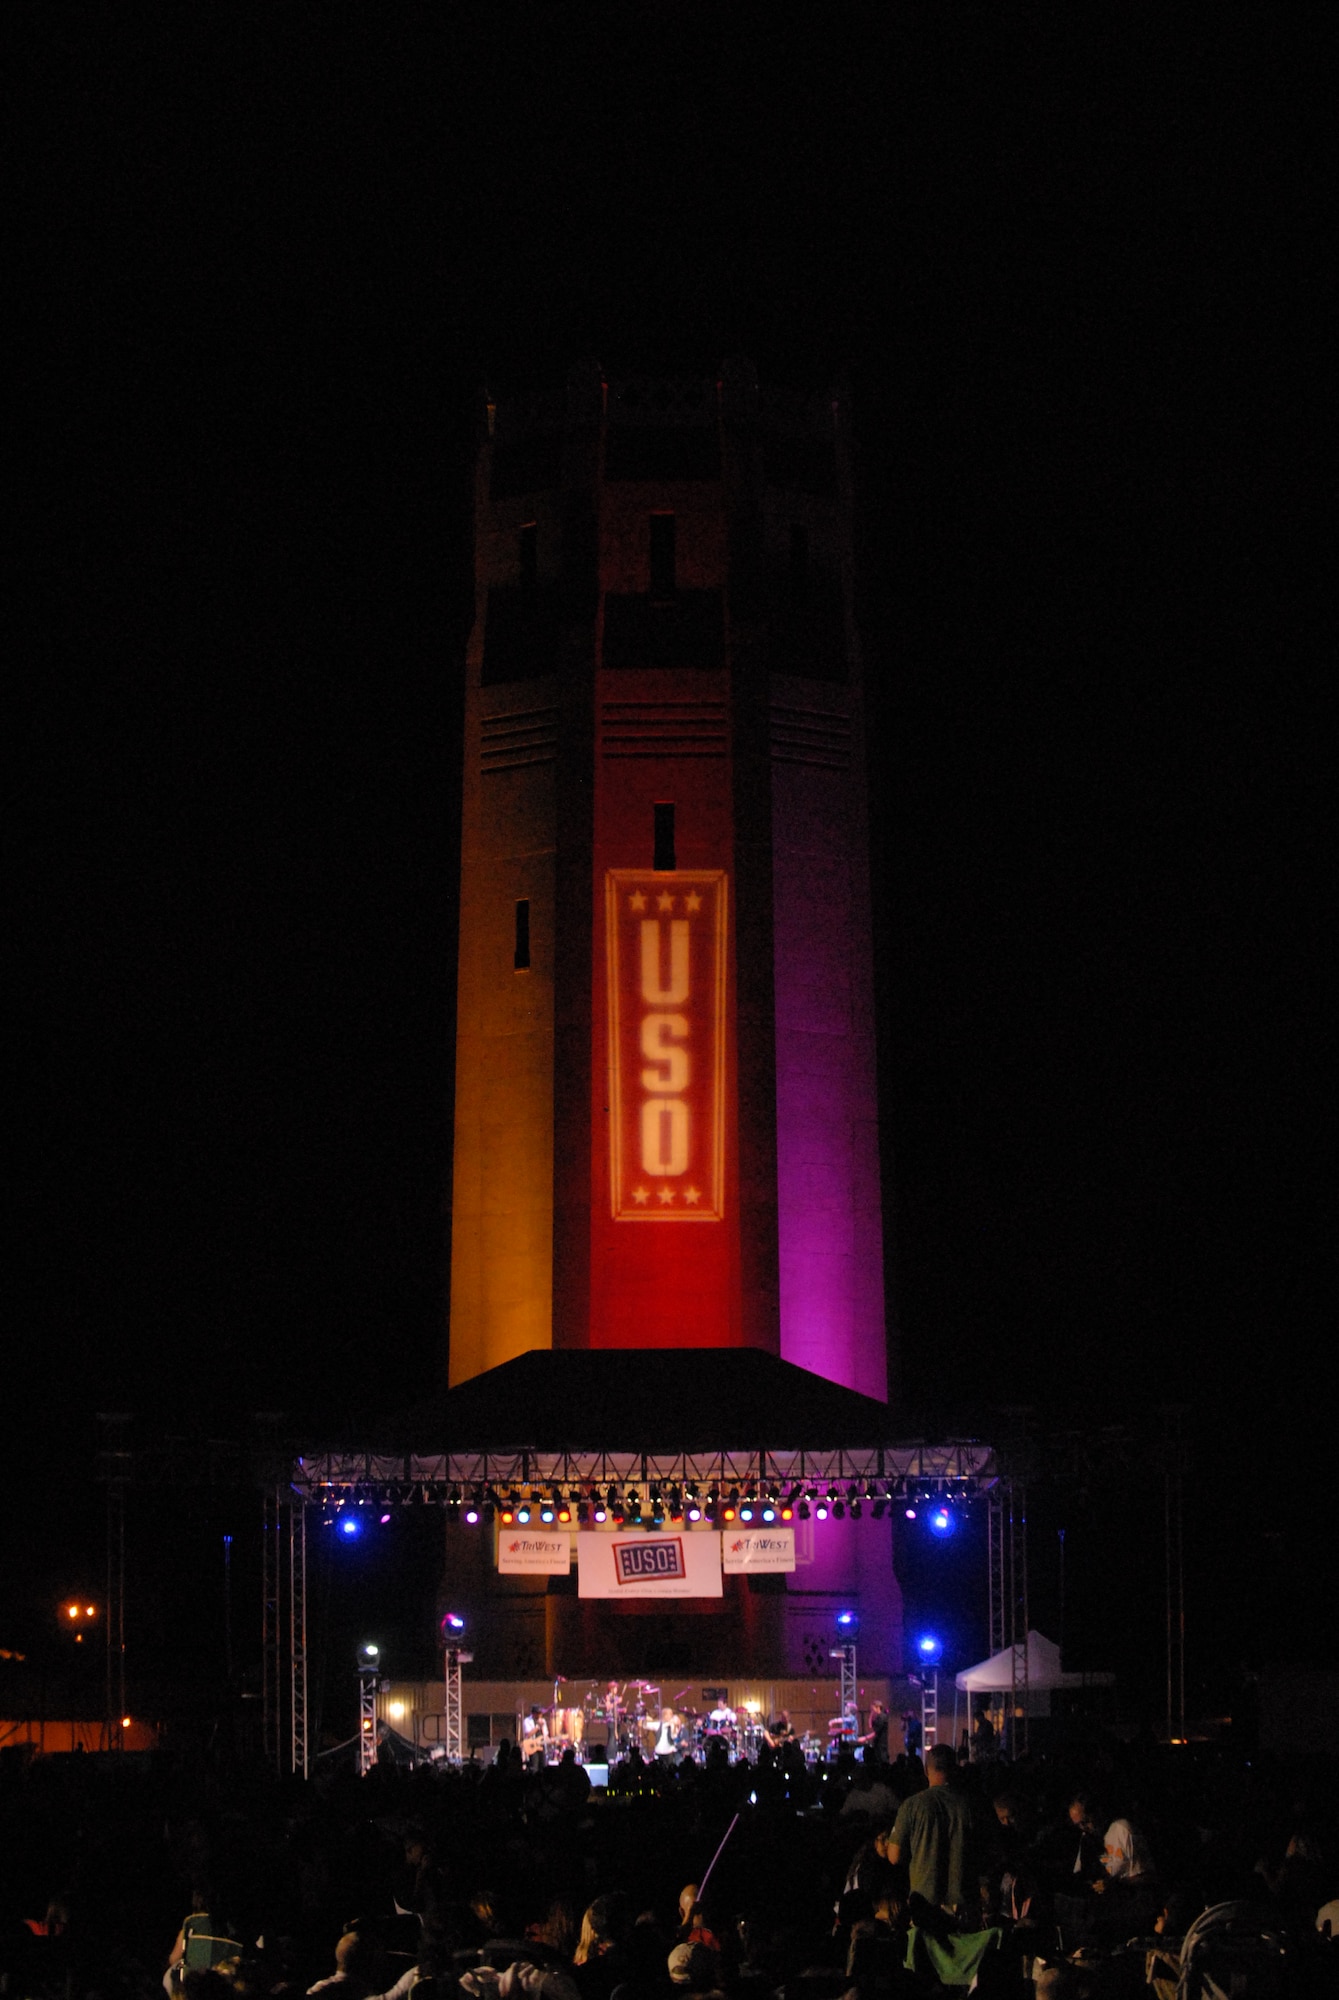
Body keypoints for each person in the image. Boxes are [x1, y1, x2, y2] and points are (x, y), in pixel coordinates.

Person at [886, 1743, 975, 1916]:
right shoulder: (970, 1805)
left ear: (926, 1770)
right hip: (964, 1905)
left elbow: (894, 1856)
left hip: (924, 1904)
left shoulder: (912, 1806)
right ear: (954, 1769)